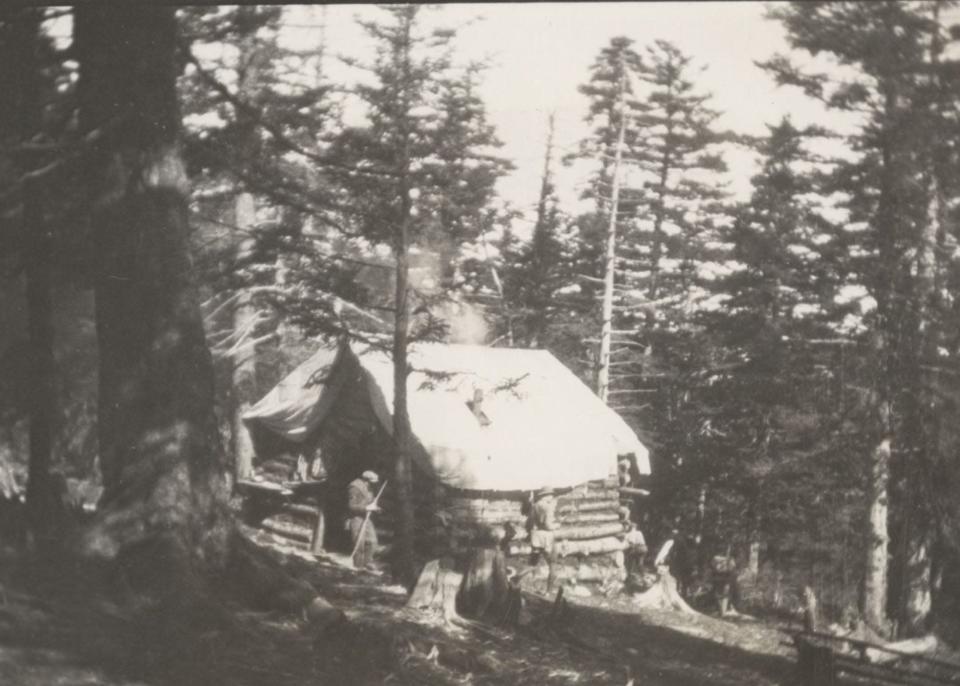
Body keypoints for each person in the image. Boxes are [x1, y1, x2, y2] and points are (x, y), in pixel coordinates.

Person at [346, 470, 380, 569]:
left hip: (366, 518)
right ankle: (358, 567)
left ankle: (367, 563)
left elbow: (371, 502)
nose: (372, 485)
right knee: (359, 544)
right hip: (356, 518)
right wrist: (367, 508)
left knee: (372, 542)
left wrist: (376, 508)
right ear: (365, 480)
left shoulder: (369, 488)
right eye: (371, 482)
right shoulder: (354, 488)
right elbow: (351, 506)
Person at [528, 487, 559, 591]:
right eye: (550, 494)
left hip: (536, 537)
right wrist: (556, 525)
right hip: (547, 538)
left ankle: (517, 580)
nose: (552, 496)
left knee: (532, 563)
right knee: (553, 564)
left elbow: (530, 522)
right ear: (545, 496)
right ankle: (549, 592)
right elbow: (548, 525)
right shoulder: (548, 507)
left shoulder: (535, 505)